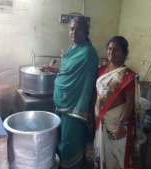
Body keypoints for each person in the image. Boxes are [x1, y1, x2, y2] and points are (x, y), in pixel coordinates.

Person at [43, 16, 98, 169]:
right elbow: (68, 70)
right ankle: (62, 164)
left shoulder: (89, 53)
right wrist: (55, 70)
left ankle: (72, 165)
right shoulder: (73, 48)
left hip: (74, 107)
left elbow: (88, 82)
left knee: (70, 141)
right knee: (60, 138)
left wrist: (81, 109)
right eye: (72, 29)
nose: (74, 32)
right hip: (62, 103)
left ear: (86, 32)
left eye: (78, 29)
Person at [94, 36, 136, 169]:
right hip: (100, 119)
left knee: (116, 155)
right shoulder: (101, 70)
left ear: (125, 53)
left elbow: (129, 103)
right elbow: (98, 95)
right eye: (110, 49)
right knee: (101, 152)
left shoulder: (127, 75)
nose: (111, 52)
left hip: (116, 122)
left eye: (116, 50)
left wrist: (121, 125)